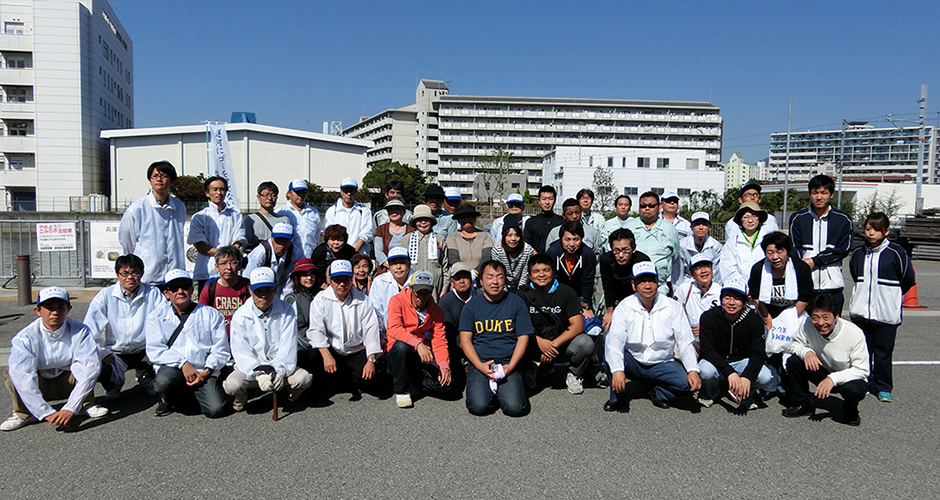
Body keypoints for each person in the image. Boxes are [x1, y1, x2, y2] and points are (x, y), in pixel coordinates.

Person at [2, 287, 107, 432]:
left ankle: (84, 405)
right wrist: (46, 413)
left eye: (60, 307)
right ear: (38, 311)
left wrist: (71, 408)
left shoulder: (81, 331)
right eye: (49, 308)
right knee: (12, 372)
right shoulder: (25, 337)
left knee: (90, 366)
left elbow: (89, 369)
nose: (55, 312)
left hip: (67, 381)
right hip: (40, 383)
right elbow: (23, 376)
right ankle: (25, 413)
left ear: (68, 309)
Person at [604, 262, 701, 412]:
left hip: (662, 363)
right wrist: (617, 370)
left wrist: (693, 370)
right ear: (633, 285)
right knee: (610, 354)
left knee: (687, 385)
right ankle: (618, 396)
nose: (647, 285)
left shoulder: (672, 306)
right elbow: (615, 342)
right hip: (634, 361)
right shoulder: (624, 307)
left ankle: (658, 391)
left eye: (651, 281)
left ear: (657, 283)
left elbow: (685, 341)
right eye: (642, 281)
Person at [224, 268, 313, 412]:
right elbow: (241, 353)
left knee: (303, 378)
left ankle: (289, 396)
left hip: (279, 366)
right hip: (253, 369)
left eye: (268, 290)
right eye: (259, 291)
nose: (263, 296)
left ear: (275, 290)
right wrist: (259, 373)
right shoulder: (240, 315)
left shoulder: (287, 310)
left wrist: (278, 371)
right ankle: (242, 396)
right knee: (233, 385)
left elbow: (288, 347)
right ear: (250, 291)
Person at [848, 212, 916, 403]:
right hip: (862, 313)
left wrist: (889, 298)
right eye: (868, 229)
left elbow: (907, 278)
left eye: (876, 230)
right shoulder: (858, 254)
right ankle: (866, 383)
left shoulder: (896, 253)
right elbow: (855, 276)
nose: (871, 233)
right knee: (863, 352)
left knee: (883, 353)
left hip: (886, 315)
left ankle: (883, 387)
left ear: (886, 231)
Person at [146, 270, 229, 418]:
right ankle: (168, 399)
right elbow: (155, 350)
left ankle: (198, 392)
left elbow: (220, 349)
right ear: (166, 293)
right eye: (174, 288)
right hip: (174, 368)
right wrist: (183, 364)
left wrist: (207, 371)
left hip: (203, 369)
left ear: (191, 290)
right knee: (163, 381)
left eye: (184, 286)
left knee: (216, 409)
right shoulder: (156, 316)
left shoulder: (210, 314)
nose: (180, 291)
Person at [83, 254, 164, 400]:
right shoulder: (105, 295)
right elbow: (90, 328)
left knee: (159, 379)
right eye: (125, 273)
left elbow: (164, 322)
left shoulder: (153, 293)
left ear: (142, 273)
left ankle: (146, 376)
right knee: (94, 361)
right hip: (115, 351)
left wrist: (158, 346)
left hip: (144, 350)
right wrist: (102, 352)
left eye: (135, 272)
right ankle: (113, 384)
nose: (130, 277)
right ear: (117, 275)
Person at [459, 260, 533, 417]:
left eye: (499, 277)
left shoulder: (517, 303)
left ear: (505, 279)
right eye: (490, 277)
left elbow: (523, 338)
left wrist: (511, 366)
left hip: (508, 363)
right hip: (481, 362)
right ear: (481, 281)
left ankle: (511, 386)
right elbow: (465, 340)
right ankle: (489, 390)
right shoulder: (472, 306)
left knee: (515, 408)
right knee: (478, 407)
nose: (495, 282)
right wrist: (479, 365)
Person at [782, 293, 869, 426]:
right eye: (815, 317)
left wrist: (833, 379)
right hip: (823, 370)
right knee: (794, 361)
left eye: (826, 317)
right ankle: (803, 403)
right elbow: (795, 345)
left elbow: (862, 370)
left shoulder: (854, 334)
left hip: (847, 377)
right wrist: (807, 352)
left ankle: (851, 410)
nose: (821, 323)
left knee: (853, 390)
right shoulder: (808, 324)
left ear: (836, 316)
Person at [517, 254, 594, 395]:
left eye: (546, 270)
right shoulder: (522, 295)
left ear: (553, 272)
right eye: (536, 271)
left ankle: (573, 373)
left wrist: (552, 345)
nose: (541, 275)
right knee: (512, 340)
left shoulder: (566, 292)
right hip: (533, 343)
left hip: (560, 344)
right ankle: (530, 367)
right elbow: (517, 327)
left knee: (585, 343)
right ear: (529, 275)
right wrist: (540, 342)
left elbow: (577, 325)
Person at [307, 260, 385, 399]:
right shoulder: (320, 299)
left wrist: (371, 360)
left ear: (351, 279)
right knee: (314, 354)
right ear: (330, 281)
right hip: (332, 349)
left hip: (356, 350)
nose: (342, 284)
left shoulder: (363, 300)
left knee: (373, 381)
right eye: (337, 280)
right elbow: (316, 330)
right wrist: (326, 354)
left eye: (346, 279)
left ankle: (349, 380)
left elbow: (371, 331)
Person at [698, 279, 779, 410]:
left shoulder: (754, 320)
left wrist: (747, 377)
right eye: (727, 297)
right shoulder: (709, 317)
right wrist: (730, 373)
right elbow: (708, 350)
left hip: (741, 360)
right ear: (721, 300)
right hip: (716, 360)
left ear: (745, 302)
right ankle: (710, 391)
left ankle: (744, 392)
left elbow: (758, 353)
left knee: (766, 377)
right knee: (705, 371)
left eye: (737, 298)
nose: (731, 302)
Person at [386, 271, 455, 408]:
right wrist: (417, 344)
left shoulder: (436, 310)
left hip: (421, 355)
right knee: (402, 347)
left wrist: (444, 365)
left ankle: (412, 382)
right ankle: (402, 390)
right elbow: (394, 328)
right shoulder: (397, 301)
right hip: (399, 353)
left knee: (447, 386)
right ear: (411, 289)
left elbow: (439, 340)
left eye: (426, 293)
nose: (421, 298)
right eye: (418, 293)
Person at [788, 174, 854, 313]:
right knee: (803, 330)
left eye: (824, 193)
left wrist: (815, 261)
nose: (819, 197)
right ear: (810, 193)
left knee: (830, 328)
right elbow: (795, 248)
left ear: (831, 195)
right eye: (815, 192)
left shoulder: (843, 219)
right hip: (805, 286)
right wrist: (802, 266)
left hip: (832, 286)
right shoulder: (798, 218)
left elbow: (843, 249)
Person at [118, 160, 186, 285]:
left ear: (171, 181)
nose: (159, 180)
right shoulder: (138, 208)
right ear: (150, 180)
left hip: (174, 275)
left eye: (164, 176)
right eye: (155, 176)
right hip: (148, 275)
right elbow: (127, 239)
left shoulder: (179, 206)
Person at [188, 175, 245, 292]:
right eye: (215, 189)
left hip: (229, 273)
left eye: (222, 189)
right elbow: (201, 247)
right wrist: (226, 256)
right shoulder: (199, 217)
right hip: (206, 272)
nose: (219, 192)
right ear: (207, 193)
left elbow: (238, 241)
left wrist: (226, 261)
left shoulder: (236, 216)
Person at [748, 231, 813, 330]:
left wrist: (789, 321)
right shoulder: (758, 269)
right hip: (768, 315)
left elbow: (804, 298)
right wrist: (769, 321)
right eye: (770, 252)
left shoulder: (801, 268)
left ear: (787, 251)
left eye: (779, 252)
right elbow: (756, 298)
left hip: (796, 315)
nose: (775, 257)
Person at [624, 192, 680, 295]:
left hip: (660, 287)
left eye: (651, 206)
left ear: (659, 207)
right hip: (631, 287)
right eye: (643, 206)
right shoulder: (628, 227)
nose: (647, 208)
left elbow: (675, 256)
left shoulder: (669, 229)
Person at [599, 228, 651, 332]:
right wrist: (610, 312)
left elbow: (645, 287)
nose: (621, 255)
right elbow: (608, 287)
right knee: (609, 328)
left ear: (633, 248)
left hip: (638, 299)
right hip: (616, 299)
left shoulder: (642, 260)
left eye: (625, 250)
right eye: (616, 251)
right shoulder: (606, 260)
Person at [545, 220, 598, 320]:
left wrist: (586, 306)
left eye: (576, 239)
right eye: (567, 239)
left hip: (579, 294)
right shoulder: (553, 251)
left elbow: (587, 281)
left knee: (588, 322)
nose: (572, 244)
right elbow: (552, 278)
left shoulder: (588, 254)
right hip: (558, 293)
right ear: (561, 239)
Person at [197, 245, 250, 337]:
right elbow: (201, 318)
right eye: (223, 263)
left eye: (233, 263)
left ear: (240, 265)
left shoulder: (248, 287)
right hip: (218, 340)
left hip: (244, 338)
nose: (228, 267)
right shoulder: (209, 289)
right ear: (216, 267)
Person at [438, 262, 479, 379]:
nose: (462, 281)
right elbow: (448, 329)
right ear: (452, 282)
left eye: (465, 277)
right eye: (458, 278)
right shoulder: (445, 300)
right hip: (456, 344)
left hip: (478, 341)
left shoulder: (481, 296)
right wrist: (464, 344)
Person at [283, 258, 324, 375]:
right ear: (297, 277)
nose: (309, 278)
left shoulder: (322, 294)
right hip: (301, 344)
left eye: (312, 274)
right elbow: (294, 328)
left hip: (322, 340)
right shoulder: (291, 298)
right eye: (305, 275)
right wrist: (311, 343)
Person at [442, 204, 493, 294]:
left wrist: (475, 272)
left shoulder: (485, 236)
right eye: (463, 217)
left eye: (469, 217)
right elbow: (453, 259)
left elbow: (487, 257)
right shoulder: (452, 237)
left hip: (480, 281)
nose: (466, 220)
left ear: (474, 218)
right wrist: (466, 275)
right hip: (460, 281)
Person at [719, 202, 774, 283]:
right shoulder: (733, 242)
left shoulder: (769, 240)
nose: (750, 220)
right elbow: (728, 268)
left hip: (765, 286)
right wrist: (742, 285)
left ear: (759, 219)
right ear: (740, 220)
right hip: (739, 288)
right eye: (745, 217)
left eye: (754, 216)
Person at [244, 222, 300, 298]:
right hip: (260, 290)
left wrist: (285, 301)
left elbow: (290, 282)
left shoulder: (295, 253)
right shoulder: (259, 253)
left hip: (280, 289)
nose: (281, 244)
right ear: (272, 238)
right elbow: (248, 278)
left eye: (286, 240)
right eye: (278, 240)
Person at [480, 214, 534, 292]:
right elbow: (499, 272)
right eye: (509, 235)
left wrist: (520, 291)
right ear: (504, 236)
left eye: (517, 235)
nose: (513, 239)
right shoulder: (497, 251)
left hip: (522, 287)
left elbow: (525, 274)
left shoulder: (528, 250)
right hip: (503, 287)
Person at [674, 255, 721, 341]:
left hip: (714, 340)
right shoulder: (684, 289)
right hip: (689, 340)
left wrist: (705, 328)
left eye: (706, 266)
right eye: (698, 268)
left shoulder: (720, 292)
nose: (703, 271)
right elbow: (674, 313)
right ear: (692, 274)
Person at [324, 177, 374, 254]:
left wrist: (354, 251)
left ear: (356, 192)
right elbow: (329, 234)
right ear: (341, 191)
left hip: (359, 254)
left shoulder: (364, 210)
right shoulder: (332, 211)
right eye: (346, 190)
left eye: (352, 191)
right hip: (338, 254)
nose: (349, 194)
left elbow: (367, 233)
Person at [370, 246, 414, 329]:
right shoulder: (379, 282)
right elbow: (376, 312)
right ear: (389, 266)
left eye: (402, 263)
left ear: (409, 264)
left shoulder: (417, 280)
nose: (398, 267)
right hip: (389, 334)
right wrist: (381, 335)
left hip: (415, 334)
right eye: (394, 263)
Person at [276, 178, 322, 258]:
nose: (301, 195)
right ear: (289, 193)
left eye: (303, 192)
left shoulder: (313, 213)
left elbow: (316, 237)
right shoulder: (281, 212)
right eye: (297, 192)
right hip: (288, 260)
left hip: (309, 259)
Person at [407, 204, 445, 296]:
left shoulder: (440, 239)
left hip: (435, 288)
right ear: (415, 222)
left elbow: (445, 266)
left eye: (426, 219)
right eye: (419, 220)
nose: (423, 222)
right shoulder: (406, 240)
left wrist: (444, 289)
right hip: (413, 286)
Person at [677, 212, 723, 286]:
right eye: (697, 224)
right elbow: (679, 272)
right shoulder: (682, 245)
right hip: (688, 284)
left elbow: (716, 272)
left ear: (710, 228)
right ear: (691, 227)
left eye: (704, 224)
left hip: (709, 285)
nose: (701, 227)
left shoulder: (716, 246)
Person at [243, 181, 291, 252]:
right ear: (258, 197)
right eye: (266, 195)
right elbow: (247, 244)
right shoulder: (250, 219)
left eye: (273, 195)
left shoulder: (284, 220)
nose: (269, 198)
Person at [374, 197, 414, 273]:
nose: (394, 212)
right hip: (386, 270)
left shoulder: (412, 230)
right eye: (391, 209)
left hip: (407, 270)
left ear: (404, 211)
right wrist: (392, 266)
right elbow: (378, 252)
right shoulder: (381, 229)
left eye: (397, 209)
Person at [523, 185, 565, 254]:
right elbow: (527, 245)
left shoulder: (561, 222)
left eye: (550, 199)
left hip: (556, 261)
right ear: (539, 201)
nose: (547, 202)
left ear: (555, 200)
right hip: (537, 261)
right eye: (544, 199)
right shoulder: (531, 222)